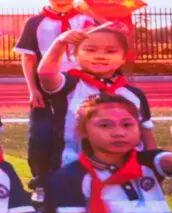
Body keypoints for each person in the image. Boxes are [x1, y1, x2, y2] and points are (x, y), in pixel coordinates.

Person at [38, 25, 154, 169]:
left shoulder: (134, 94)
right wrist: (60, 43)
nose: (100, 56)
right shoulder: (69, 84)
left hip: (126, 170)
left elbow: (146, 132)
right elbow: (46, 74)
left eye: (111, 51)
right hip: (74, 167)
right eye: (90, 50)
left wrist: (151, 163)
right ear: (74, 55)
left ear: (124, 58)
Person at [14, 0, 96, 198]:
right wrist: (33, 89)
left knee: (85, 133)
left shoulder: (88, 19)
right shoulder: (35, 22)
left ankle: (88, 181)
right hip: (47, 86)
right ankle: (41, 183)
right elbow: (29, 58)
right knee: (41, 135)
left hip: (83, 84)